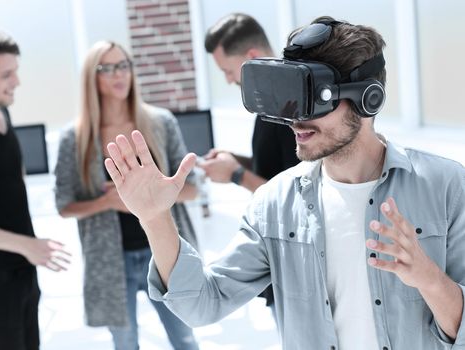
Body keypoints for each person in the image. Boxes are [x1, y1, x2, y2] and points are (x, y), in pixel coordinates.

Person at [104, 17, 465, 350]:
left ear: (367, 99)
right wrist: (154, 219)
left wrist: (430, 279)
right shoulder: (273, 205)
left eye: (314, 101)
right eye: (292, 102)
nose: (296, 119)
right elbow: (203, 304)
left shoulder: (445, 186)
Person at [54, 41, 199, 350]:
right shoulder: (75, 137)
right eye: (106, 68)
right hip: (110, 258)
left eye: (123, 65)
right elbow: (63, 205)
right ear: (91, 79)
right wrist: (106, 201)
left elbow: (192, 187)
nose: (118, 74)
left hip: (164, 250)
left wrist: (156, 197)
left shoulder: (160, 122)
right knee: (125, 342)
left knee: (185, 338)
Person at [199, 12, 300, 317]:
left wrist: (236, 174)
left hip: (297, 264)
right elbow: (277, 169)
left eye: (228, 71)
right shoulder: (272, 102)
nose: (228, 80)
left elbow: (298, 193)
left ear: (252, 56)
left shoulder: (291, 106)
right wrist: (236, 160)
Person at [0, 29, 71, 350]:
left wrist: (29, 249)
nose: (16, 82)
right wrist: (27, 245)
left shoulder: (3, 114)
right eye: (6, 74)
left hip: (24, 268)